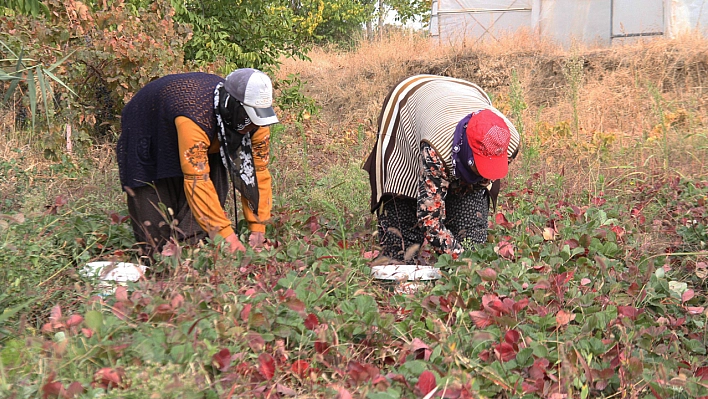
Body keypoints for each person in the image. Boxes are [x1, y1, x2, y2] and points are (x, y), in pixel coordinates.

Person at [117, 68, 278, 257]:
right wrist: (227, 237)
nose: (253, 124)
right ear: (232, 106)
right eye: (249, 116)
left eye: (257, 117)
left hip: (205, 131)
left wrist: (258, 228)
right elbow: (196, 180)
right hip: (148, 123)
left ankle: (191, 250)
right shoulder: (195, 115)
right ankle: (159, 266)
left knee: (205, 213)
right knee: (154, 235)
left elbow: (258, 173)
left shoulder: (258, 123)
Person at [363, 74, 521, 262]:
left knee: (471, 237)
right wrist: (460, 259)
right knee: (402, 238)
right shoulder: (436, 147)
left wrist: (469, 258)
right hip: (411, 103)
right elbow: (429, 219)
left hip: (465, 93)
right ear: (468, 154)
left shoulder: (506, 140)